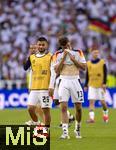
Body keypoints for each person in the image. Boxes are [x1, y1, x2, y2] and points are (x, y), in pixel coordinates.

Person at [54, 37, 86, 139]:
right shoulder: (57, 54)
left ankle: (78, 128)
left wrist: (73, 60)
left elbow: (84, 67)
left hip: (75, 80)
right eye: (63, 47)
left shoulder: (78, 52)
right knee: (63, 107)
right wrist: (63, 58)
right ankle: (65, 132)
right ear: (61, 46)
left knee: (79, 108)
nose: (65, 48)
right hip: (63, 80)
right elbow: (57, 71)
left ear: (69, 43)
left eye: (67, 46)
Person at [23, 37, 55, 130]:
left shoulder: (51, 56)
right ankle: (38, 125)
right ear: (37, 45)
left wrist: (51, 86)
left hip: (45, 88)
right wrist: (29, 56)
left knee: (46, 110)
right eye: (39, 45)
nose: (41, 46)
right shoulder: (32, 57)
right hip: (34, 88)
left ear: (46, 45)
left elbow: (53, 72)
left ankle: (46, 130)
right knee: (30, 108)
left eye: (43, 45)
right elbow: (25, 68)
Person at [84, 46, 109, 123]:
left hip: (100, 85)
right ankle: (91, 118)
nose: (96, 54)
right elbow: (87, 74)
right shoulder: (88, 63)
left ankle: (105, 115)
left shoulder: (102, 62)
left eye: (97, 52)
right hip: (91, 85)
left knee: (103, 102)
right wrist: (85, 85)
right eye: (94, 52)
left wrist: (104, 83)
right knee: (91, 102)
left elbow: (105, 73)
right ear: (91, 53)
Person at [25, 44, 44, 125]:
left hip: (39, 85)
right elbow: (25, 68)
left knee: (39, 107)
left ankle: (43, 123)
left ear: (37, 48)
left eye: (34, 48)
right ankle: (35, 121)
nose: (32, 49)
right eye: (31, 48)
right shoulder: (31, 58)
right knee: (32, 106)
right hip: (32, 85)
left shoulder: (41, 58)